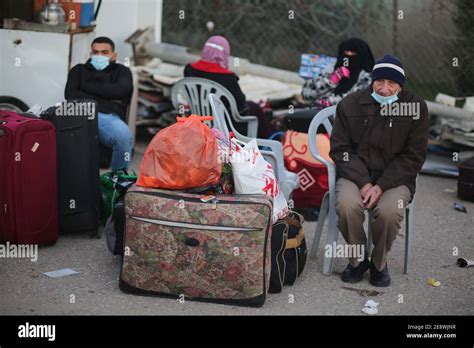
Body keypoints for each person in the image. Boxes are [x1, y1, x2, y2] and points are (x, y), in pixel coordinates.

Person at [329, 54, 429, 287]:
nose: (384, 89)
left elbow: (414, 156)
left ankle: (378, 263)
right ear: (371, 81)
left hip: (395, 179)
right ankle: (357, 260)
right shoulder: (350, 104)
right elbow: (341, 150)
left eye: (392, 84)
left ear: (400, 86)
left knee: (389, 211)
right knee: (346, 205)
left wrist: (381, 185)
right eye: (379, 82)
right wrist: (364, 182)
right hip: (355, 175)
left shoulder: (415, 108)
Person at [184, 35, 275, 138]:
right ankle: (270, 140)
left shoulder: (188, 69)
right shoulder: (227, 77)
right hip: (225, 126)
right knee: (255, 108)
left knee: (253, 107)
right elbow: (240, 107)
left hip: (198, 120)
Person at [65, 36, 133, 171]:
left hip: (108, 117)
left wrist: (85, 87)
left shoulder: (122, 71)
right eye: (95, 52)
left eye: (105, 52)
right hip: (80, 114)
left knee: (123, 136)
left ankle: (118, 183)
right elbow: (70, 95)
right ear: (90, 54)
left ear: (114, 55)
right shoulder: (78, 70)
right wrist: (107, 96)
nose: (99, 55)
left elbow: (121, 91)